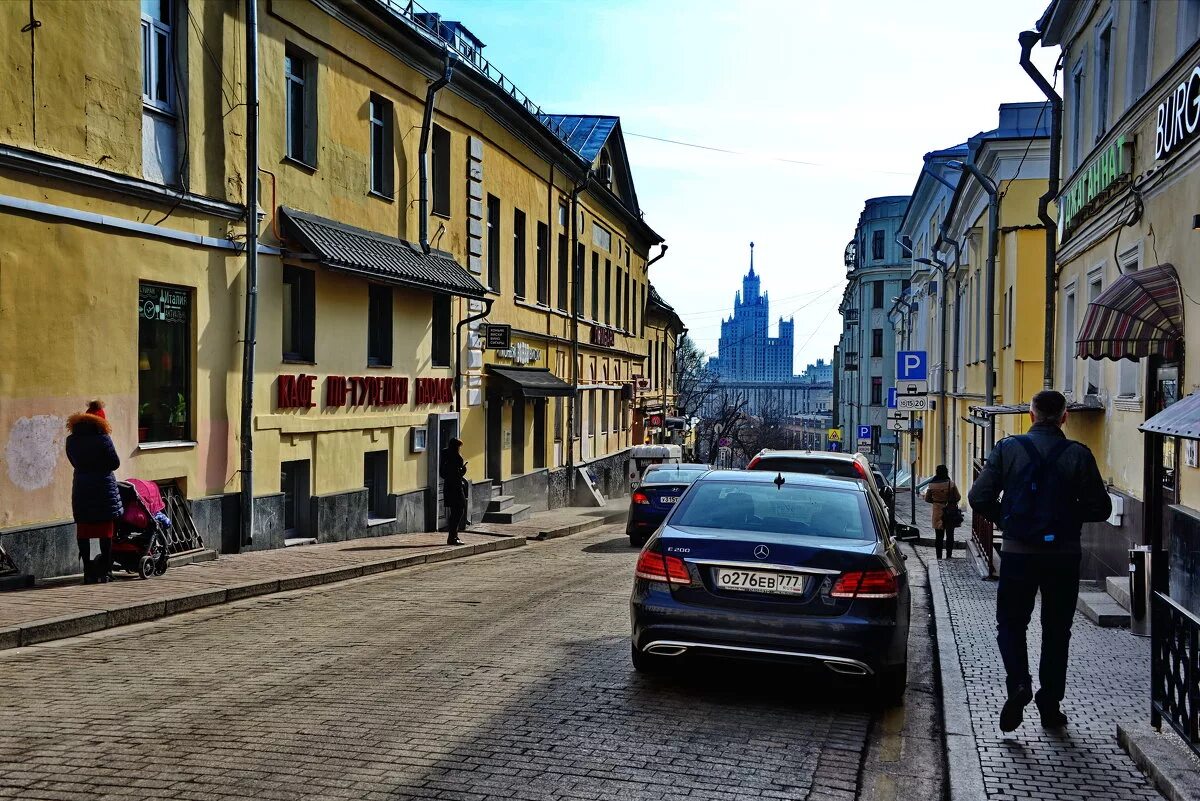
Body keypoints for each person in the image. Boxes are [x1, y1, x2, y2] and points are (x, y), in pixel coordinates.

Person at [968, 390, 1111, 733]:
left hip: (1018, 553)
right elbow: (1101, 508)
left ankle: (1019, 683)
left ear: (1030, 416)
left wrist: (1007, 520)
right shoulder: (1078, 454)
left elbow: (978, 496)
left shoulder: (1008, 448)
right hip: (1063, 556)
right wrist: (1065, 517)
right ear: (1064, 418)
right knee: (1057, 630)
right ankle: (1050, 703)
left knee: (1011, 624)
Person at [65, 400, 123, 584]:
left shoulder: (72, 440)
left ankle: (88, 572)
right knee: (105, 532)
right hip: (103, 488)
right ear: (101, 422)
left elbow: (74, 462)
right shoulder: (103, 439)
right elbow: (115, 463)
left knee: (84, 530)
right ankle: (105, 571)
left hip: (82, 487)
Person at [923, 464, 961, 559]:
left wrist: (936, 502)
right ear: (946, 472)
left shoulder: (932, 485)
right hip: (949, 512)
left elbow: (927, 499)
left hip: (937, 512)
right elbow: (958, 497)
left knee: (939, 536)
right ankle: (949, 555)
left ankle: (938, 556)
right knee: (950, 535)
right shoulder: (951, 484)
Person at [439, 438, 467, 546]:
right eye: (459, 446)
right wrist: (462, 471)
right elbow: (454, 474)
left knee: (456, 512)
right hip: (455, 487)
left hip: (449, 487)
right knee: (458, 511)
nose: (460, 448)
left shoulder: (445, 455)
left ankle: (453, 536)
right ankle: (452, 537)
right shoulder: (455, 457)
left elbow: (443, 473)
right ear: (456, 447)